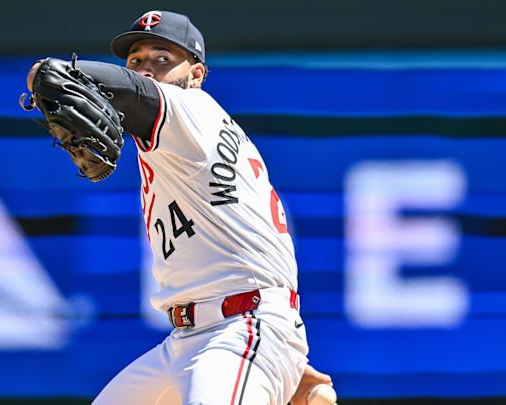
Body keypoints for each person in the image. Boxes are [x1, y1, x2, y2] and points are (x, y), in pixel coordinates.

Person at [26, 10, 332, 405]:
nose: (146, 70)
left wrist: (40, 74)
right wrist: (275, 360)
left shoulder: (190, 110)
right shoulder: (186, 139)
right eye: (136, 61)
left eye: (162, 58)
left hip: (239, 329)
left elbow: (52, 76)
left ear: (197, 75)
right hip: (201, 339)